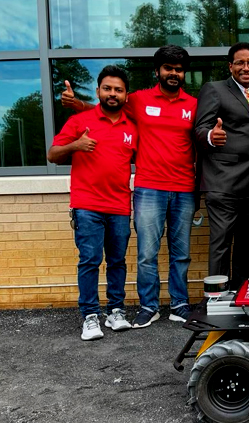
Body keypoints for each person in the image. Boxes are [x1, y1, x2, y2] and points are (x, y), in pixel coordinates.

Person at [62, 45, 198, 328]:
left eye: (178, 69)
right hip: (149, 187)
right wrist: (79, 106)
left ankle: (179, 304)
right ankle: (149, 306)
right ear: (157, 71)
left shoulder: (193, 104)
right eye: (168, 68)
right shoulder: (137, 99)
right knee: (147, 252)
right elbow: (108, 108)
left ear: (184, 73)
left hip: (184, 187)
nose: (173, 74)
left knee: (181, 252)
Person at [49, 65, 138, 340]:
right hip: (87, 205)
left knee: (117, 261)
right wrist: (75, 145)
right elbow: (52, 154)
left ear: (126, 95)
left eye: (118, 90)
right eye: (108, 88)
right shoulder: (80, 122)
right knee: (89, 260)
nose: (113, 94)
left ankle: (115, 312)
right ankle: (89, 316)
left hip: (120, 206)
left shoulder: (132, 127)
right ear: (99, 90)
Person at [194, 42, 249, 290]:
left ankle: (239, 295)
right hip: (223, 182)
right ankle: (216, 300)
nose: (246, 67)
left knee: (248, 244)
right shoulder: (214, 90)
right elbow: (199, 128)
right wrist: (209, 136)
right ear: (230, 66)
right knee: (221, 242)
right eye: (240, 62)